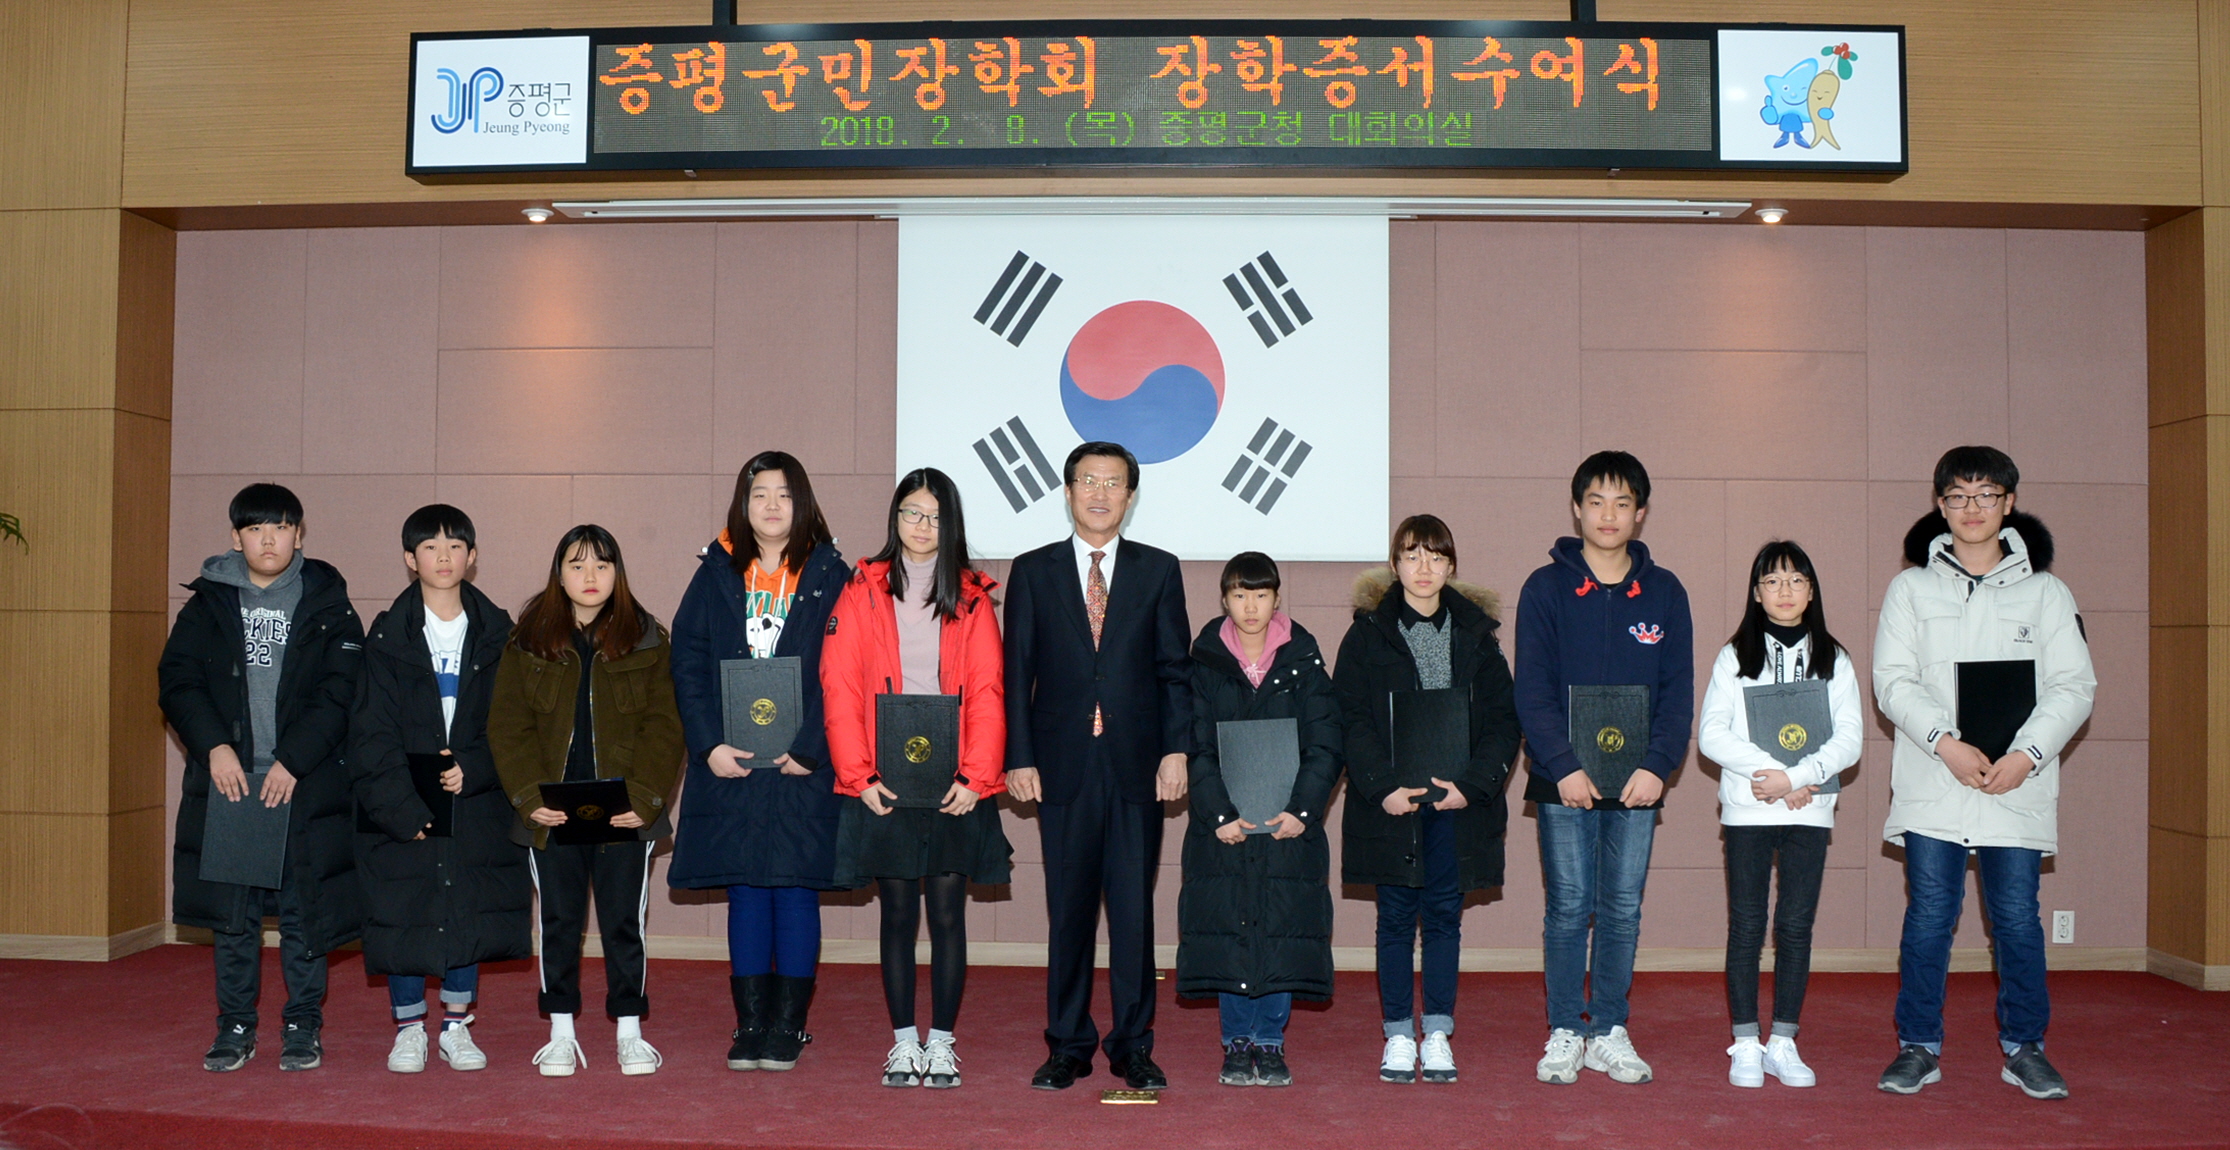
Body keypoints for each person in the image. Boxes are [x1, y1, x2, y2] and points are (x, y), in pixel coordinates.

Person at [1873, 446, 2095, 1100]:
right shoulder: (1910, 589)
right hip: (1936, 780)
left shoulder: (2046, 592)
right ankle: (1918, 1046)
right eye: (1959, 496)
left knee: (2018, 920)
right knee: (1928, 918)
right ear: (1940, 505)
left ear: (2010, 502)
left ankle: (2026, 1047)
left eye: (1987, 494)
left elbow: (2074, 687)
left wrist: (2027, 755)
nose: (1973, 508)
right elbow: (1893, 681)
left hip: (2014, 784)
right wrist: (1945, 744)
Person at [1003, 441, 1192, 1092]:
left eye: (1114, 483)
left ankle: (1133, 1045)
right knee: (1070, 911)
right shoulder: (1033, 571)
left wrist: (1176, 749)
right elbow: (1016, 672)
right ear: (1068, 491)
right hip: (1061, 765)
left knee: (1134, 914)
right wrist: (1019, 756)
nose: (1100, 493)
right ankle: (1068, 1044)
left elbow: (1174, 670)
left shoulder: (1159, 569)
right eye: (1089, 481)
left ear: (1130, 497)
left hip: (1137, 765)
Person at [158, 482, 364, 1073]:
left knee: (305, 914)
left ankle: (302, 1025)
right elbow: (177, 681)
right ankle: (235, 1025)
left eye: (280, 527)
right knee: (234, 917)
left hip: (302, 783)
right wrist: (214, 748)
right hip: (234, 784)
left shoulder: (328, 601)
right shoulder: (208, 602)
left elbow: (342, 690)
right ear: (236, 537)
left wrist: (294, 758)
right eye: (255, 528)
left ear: (299, 535)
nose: (268, 539)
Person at [821, 468, 1012, 1089]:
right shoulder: (862, 590)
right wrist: (859, 776)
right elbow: (840, 687)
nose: (922, 526)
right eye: (912, 513)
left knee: (949, 914)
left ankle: (944, 1043)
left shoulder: (973, 596)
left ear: (949, 523)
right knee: (898, 914)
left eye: (934, 516)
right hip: (886, 778)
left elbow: (987, 690)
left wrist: (976, 777)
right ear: (895, 517)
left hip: (954, 779)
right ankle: (904, 1042)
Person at [667, 452, 850, 1072]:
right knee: (745, 890)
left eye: (785, 494)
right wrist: (708, 745)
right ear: (742, 506)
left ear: (804, 504)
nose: (772, 506)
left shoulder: (831, 572)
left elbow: (845, 669)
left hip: (804, 763)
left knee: (796, 890)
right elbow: (688, 663)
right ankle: (750, 1025)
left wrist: (811, 747)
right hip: (733, 762)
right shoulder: (716, 572)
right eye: (760, 494)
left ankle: (789, 1026)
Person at [1516, 450, 1693, 1087]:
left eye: (1622, 503)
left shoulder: (1666, 592)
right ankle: (1566, 1027)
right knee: (1568, 906)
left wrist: (1659, 765)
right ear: (1577, 509)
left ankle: (1610, 1028)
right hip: (1562, 779)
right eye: (1596, 502)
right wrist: (1562, 765)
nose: (1608, 515)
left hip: (1638, 781)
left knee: (1621, 908)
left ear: (1640, 513)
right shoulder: (1545, 588)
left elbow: (1677, 691)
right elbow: (1531, 690)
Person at [489, 525, 684, 1078]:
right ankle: (560, 1032)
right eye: (576, 565)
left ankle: (630, 1031)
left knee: (625, 922)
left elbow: (665, 726)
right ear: (559, 574)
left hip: (623, 810)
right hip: (552, 811)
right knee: (557, 921)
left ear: (618, 572)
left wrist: (644, 798)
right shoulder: (528, 640)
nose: (590, 576)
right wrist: (529, 797)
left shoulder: (647, 638)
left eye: (602, 564)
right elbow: (508, 725)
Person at [1336, 516, 1520, 1085]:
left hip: (1456, 806)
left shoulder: (1477, 635)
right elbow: (1351, 719)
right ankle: (1397, 1034)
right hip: (1392, 804)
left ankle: (1437, 1032)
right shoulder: (1367, 635)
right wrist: (1382, 787)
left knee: (1443, 918)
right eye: (1412, 555)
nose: (1424, 568)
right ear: (1395, 564)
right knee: (1394, 919)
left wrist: (1472, 786)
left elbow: (1503, 722)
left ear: (1451, 566)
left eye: (1436, 557)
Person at [349, 504, 531, 1074]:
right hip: (404, 795)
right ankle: (409, 1028)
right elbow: (370, 731)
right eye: (430, 546)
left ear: (472, 557)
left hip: (474, 797)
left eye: (455, 545)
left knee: (465, 902)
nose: (443, 556)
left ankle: (455, 1025)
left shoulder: (500, 634)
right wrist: (402, 807)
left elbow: (517, 723)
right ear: (411, 559)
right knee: (405, 902)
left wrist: (475, 768)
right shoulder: (386, 636)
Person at [1696, 540, 1862, 1089]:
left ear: (1811, 591)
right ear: (1756, 592)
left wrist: (1797, 778)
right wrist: (1771, 773)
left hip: (1810, 807)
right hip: (1749, 807)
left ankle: (1784, 1041)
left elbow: (1850, 738)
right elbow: (1712, 734)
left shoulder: (1834, 658)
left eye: (1795, 580)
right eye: (1772, 580)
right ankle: (1746, 1042)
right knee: (1746, 925)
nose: (1784, 590)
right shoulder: (1734, 656)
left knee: (1794, 926)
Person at [1176, 552, 1341, 1088]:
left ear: (1276, 599)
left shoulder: (1304, 659)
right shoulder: (1204, 662)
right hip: (1222, 830)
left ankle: (1270, 1041)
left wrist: (1301, 811)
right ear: (1225, 600)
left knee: (1281, 927)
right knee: (1230, 929)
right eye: (1240, 595)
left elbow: (1325, 743)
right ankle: (1236, 1041)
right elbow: (1194, 744)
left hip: (1287, 826)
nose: (1251, 606)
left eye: (1261, 594)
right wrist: (1219, 813)